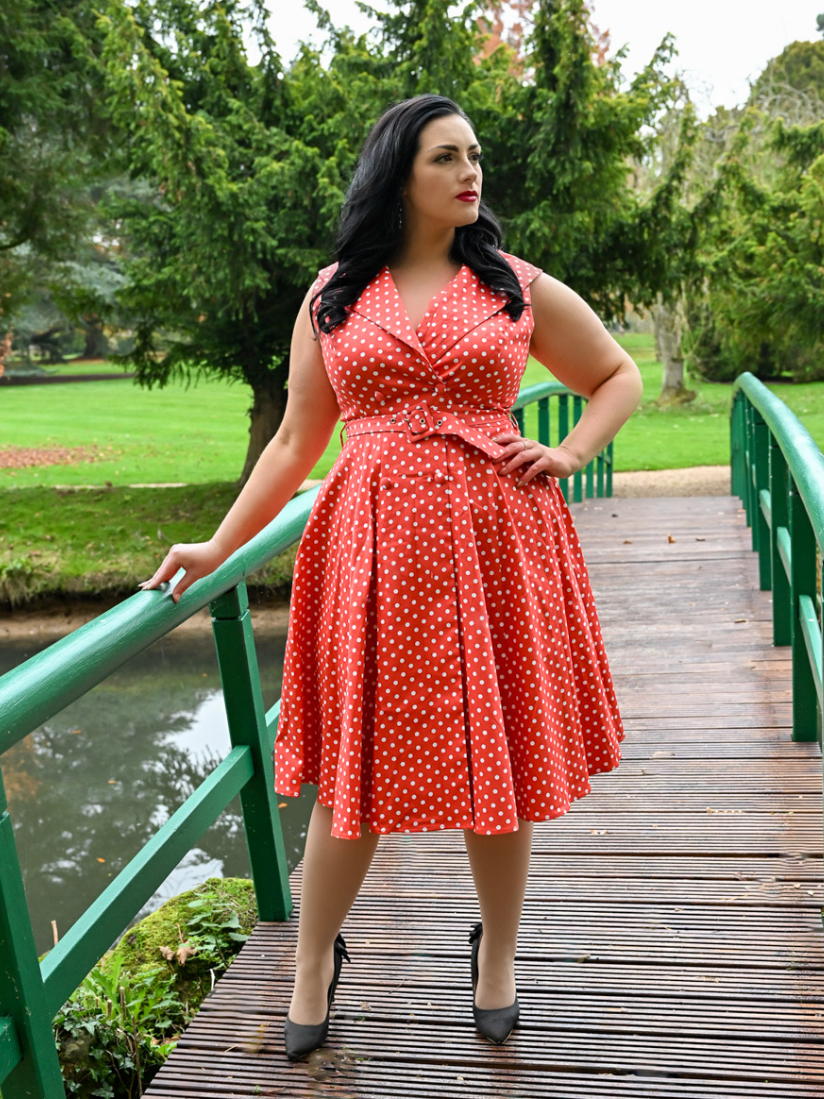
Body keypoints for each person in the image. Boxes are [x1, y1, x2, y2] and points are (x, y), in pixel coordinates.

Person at [139, 93, 643, 1060]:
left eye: (475, 155)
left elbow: (616, 374)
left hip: (498, 550)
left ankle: (497, 954)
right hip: (373, 557)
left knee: (499, 759)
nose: (470, 172)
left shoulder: (515, 285)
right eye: (446, 156)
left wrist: (571, 450)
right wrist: (217, 547)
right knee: (354, 772)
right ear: (398, 173)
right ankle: (313, 961)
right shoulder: (334, 294)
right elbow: (295, 441)